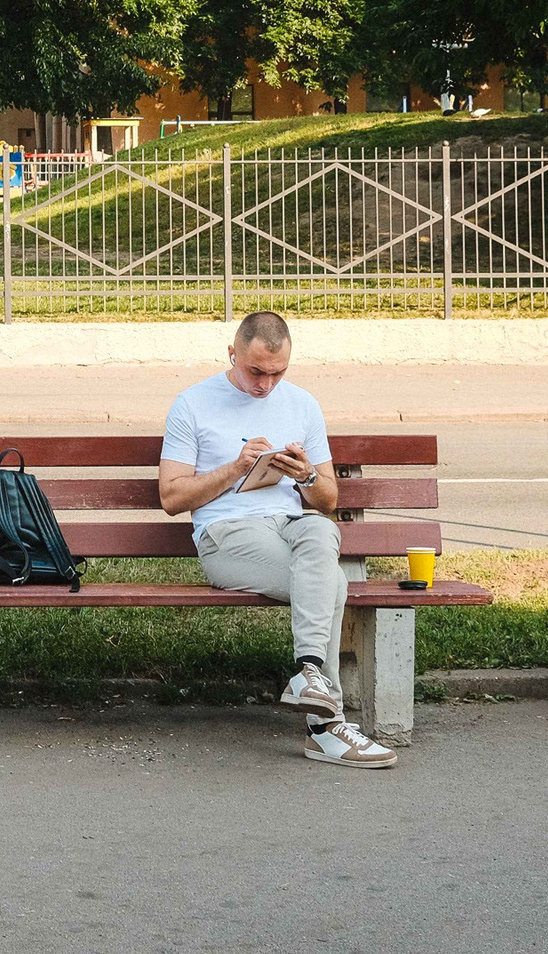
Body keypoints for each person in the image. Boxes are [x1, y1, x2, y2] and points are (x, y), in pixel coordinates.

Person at [157, 310, 397, 768]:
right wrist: (233, 469)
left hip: (290, 526)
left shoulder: (302, 404)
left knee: (321, 528)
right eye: (255, 372)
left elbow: (327, 500)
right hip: (227, 535)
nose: (266, 385)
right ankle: (326, 725)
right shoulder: (192, 403)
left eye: (277, 373)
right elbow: (171, 497)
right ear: (233, 353)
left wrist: (307, 475)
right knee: (334, 585)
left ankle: (311, 682)